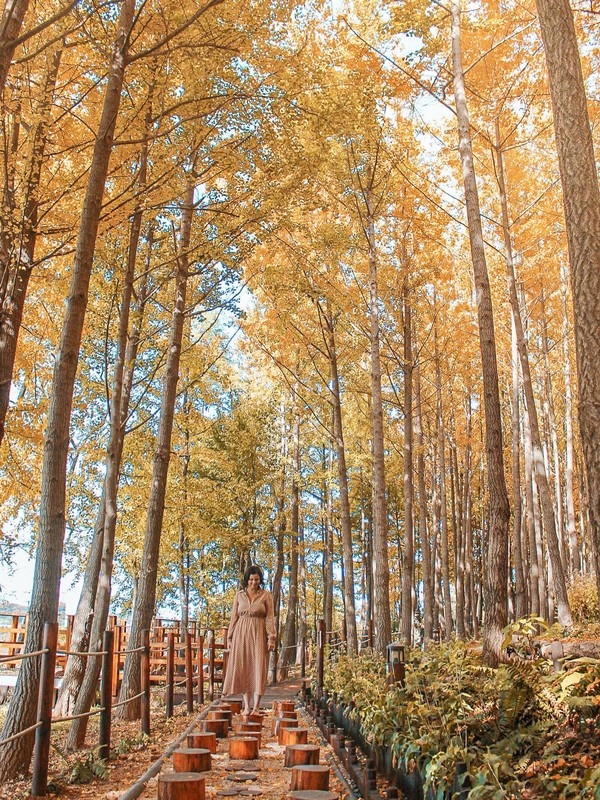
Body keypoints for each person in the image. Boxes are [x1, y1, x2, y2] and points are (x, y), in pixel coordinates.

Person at [222, 564, 276, 715]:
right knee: (244, 666)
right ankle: (246, 706)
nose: (254, 582)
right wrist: (230, 637)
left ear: (260, 580)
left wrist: (271, 637)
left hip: (259, 632)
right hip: (241, 632)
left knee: (258, 666)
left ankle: (256, 707)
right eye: (251, 579)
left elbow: (270, 618)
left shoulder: (266, 596)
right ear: (247, 580)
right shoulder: (239, 595)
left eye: (257, 579)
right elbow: (234, 617)